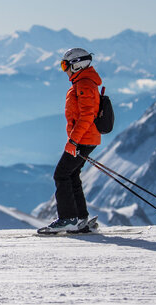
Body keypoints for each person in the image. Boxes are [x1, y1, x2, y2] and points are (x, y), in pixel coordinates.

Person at [38, 47, 102, 234]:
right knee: (71, 175)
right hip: (86, 137)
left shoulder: (84, 84)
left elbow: (86, 117)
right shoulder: (84, 82)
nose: (64, 69)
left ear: (77, 64)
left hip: (83, 138)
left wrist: (73, 141)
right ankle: (80, 218)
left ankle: (68, 219)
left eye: (65, 65)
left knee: (61, 175)